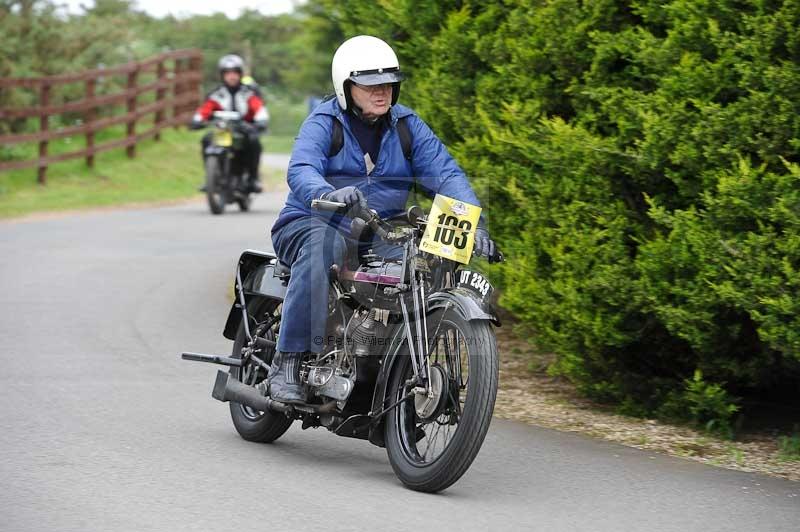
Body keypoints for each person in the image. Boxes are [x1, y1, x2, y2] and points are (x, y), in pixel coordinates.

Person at [267, 35, 497, 403]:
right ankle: (289, 361)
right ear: (346, 87)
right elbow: (302, 168)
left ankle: (387, 366)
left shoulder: (407, 126)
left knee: (422, 264)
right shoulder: (325, 121)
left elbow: (446, 174)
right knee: (322, 248)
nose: (383, 92)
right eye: (371, 85)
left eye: (389, 84)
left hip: (377, 230)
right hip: (313, 221)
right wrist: (328, 193)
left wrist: (472, 225)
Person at [191, 54, 268, 193]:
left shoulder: (249, 93)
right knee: (206, 139)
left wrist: (260, 121)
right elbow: (204, 110)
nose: (231, 76)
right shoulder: (216, 94)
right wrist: (197, 120)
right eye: (227, 73)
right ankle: (210, 177)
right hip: (222, 131)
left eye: (234, 73)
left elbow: (259, 109)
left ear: (240, 74)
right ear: (222, 75)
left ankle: (253, 178)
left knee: (254, 142)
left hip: (243, 130)